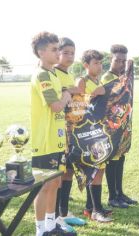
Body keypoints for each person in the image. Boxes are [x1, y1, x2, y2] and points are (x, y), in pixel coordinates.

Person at [30, 31, 74, 236]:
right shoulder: (41, 75)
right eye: (54, 49)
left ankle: (50, 225)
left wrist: (66, 99)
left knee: (55, 182)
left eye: (59, 48)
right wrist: (66, 95)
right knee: (43, 186)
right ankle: (40, 231)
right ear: (40, 52)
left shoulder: (54, 74)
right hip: (44, 140)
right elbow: (56, 106)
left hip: (57, 139)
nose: (58, 53)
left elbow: (62, 107)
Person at [75, 49, 113, 223]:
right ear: (86, 65)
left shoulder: (99, 80)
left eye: (100, 63)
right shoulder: (81, 81)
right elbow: (77, 108)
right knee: (95, 171)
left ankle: (90, 207)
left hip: (100, 132)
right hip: (88, 134)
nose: (99, 66)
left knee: (100, 170)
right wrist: (93, 95)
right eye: (95, 63)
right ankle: (97, 211)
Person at [54, 37, 86, 231]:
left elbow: (77, 92)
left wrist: (72, 89)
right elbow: (63, 94)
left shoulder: (68, 74)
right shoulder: (53, 73)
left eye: (72, 53)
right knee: (59, 174)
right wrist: (71, 89)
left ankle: (64, 212)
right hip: (59, 133)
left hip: (73, 131)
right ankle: (56, 216)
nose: (69, 56)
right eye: (65, 52)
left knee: (69, 172)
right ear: (57, 53)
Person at [101, 44, 138, 208]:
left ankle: (120, 192)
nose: (121, 64)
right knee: (112, 160)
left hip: (124, 126)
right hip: (111, 127)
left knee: (120, 158)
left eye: (124, 61)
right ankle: (112, 196)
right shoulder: (106, 78)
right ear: (111, 59)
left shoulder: (124, 77)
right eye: (118, 60)